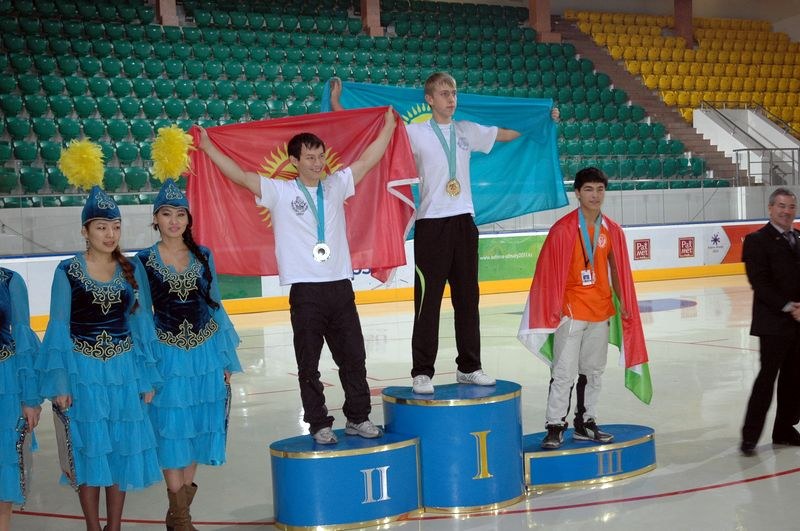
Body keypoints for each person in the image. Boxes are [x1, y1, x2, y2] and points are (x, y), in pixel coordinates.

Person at [331, 73, 559, 394]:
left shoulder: (467, 131)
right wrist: (338, 104)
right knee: (428, 302)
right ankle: (422, 372)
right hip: (432, 225)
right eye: (443, 93)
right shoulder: (415, 133)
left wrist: (541, 120)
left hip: (464, 223)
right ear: (429, 99)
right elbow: (373, 139)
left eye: (453, 93)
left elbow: (507, 134)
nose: (451, 98)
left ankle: (470, 367)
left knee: (468, 300)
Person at [196, 107, 397, 444]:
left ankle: (358, 417)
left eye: (320, 156)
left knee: (354, 358)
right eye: (309, 157)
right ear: (294, 161)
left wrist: (389, 128)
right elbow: (242, 176)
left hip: (340, 288)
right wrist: (208, 148)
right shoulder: (280, 192)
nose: (317, 163)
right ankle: (318, 423)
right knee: (309, 364)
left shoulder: (336, 185)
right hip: (306, 293)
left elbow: (367, 161)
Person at [38, 186, 162, 531]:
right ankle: (93, 526)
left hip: (123, 373)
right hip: (83, 373)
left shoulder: (130, 270)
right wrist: (61, 382)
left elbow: (139, 327)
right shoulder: (67, 271)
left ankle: (115, 526)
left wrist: (145, 378)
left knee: (121, 449)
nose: (110, 234)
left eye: (116, 227)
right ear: (85, 231)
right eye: (101, 227)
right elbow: (59, 326)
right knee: (91, 450)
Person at [135, 179, 242, 530]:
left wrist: (224, 357)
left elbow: (215, 304)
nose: (174, 221)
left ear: (188, 219)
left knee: (197, 428)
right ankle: (180, 518)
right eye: (166, 214)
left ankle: (179, 516)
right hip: (167, 356)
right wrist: (147, 367)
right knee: (170, 431)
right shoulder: (144, 261)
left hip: (205, 355)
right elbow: (140, 316)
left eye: (180, 214)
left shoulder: (203, 255)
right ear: (156, 219)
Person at [529, 167, 631, 449]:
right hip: (571, 313)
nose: (595, 195)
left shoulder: (610, 230)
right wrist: (553, 309)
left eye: (600, 189)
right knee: (563, 372)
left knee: (593, 372)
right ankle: (554, 425)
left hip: (600, 311)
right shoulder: (563, 229)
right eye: (588, 189)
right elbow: (546, 273)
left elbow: (618, 270)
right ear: (577, 193)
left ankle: (585, 423)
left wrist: (624, 304)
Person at [740, 187, 800, 456]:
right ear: (770, 208)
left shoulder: (799, 238)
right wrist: (789, 307)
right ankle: (750, 436)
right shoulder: (756, 240)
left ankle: (784, 429)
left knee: (794, 379)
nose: (787, 211)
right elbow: (759, 283)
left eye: (791, 207)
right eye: (781, 206)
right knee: (767, 379)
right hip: (773, 323)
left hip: (799, 322)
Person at [0, 267, 41, 531]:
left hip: (6, 385)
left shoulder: (10, 281)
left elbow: (24, 338)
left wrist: (30, 398)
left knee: (4, 467)